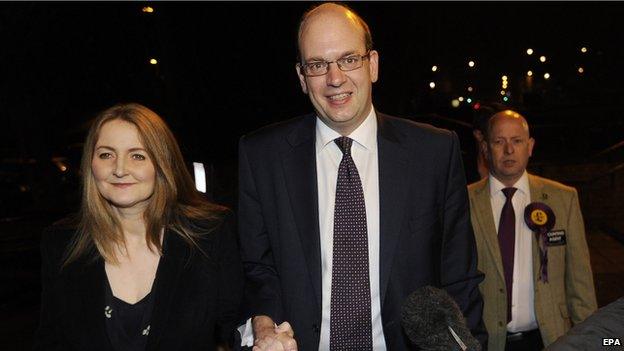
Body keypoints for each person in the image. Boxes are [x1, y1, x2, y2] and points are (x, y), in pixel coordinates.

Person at [238, 3, 486, 350]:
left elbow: (460, 276)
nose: (335, 78)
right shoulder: (262, 156)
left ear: (372, 65)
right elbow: (257, 270)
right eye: (317, 65)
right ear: (301, 77)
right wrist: (263, 326)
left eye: (349, 59)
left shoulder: (433, 153)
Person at [34, 103, 243, 351]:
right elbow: (51, 340)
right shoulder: (61, 242)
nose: (120, 169)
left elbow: (239, 325)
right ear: (90, 164)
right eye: (106, 154)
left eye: (137, 156)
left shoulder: (210, 233)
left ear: (162, 163)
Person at [467, 109, 597, 350]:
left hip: (549, 339)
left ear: (530, 146)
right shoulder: (464, 202)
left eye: (516, 141)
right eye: (499, 141)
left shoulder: (563, 199)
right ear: (485, 148)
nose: (508, 150)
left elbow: (580, 284)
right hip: (486, 342)